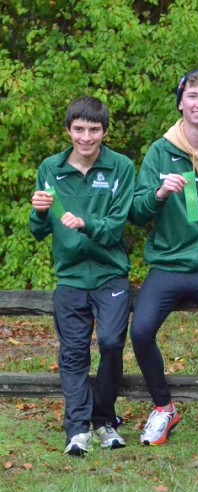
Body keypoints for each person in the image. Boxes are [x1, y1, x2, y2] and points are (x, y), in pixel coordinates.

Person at [129, 70, 198, 448]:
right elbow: (137, 211)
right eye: (192, 96)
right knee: (141, 330)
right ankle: (164, 407)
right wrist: (159, 193)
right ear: (181, 102)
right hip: (169, 261)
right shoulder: (160, 151)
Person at [30, 96, 134, 456]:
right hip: (70, 277)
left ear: (104, 131)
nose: (86, 137)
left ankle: (105, 420)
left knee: (110, 344)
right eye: (79, 129)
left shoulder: (121, 167)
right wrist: (39, 212)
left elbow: (119, 224)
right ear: (68, 130)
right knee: (73, 353)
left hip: (110, 274)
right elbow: (38, 229)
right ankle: (77, 429)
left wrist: (87, 223)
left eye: (93, 130)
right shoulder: (51, 168)